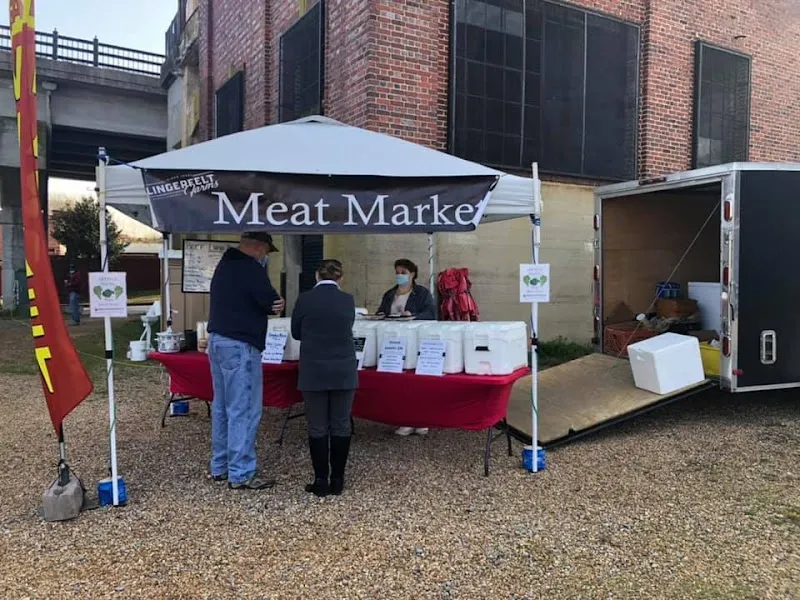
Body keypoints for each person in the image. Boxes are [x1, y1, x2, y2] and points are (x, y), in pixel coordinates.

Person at [206, 232, 285, 490]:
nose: (265, 256)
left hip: (218, 341)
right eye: (266, 251)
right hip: (241, 344)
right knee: (244, 408)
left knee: (222, 406)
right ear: (259, 248)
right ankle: (241, 471)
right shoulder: (251, 268)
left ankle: (220, 465)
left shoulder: (224, 264)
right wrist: (278, 303)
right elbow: (271, 301)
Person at [291, 259, 358, 497]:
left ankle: (320, 479)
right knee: (341, 424)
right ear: (340, 278)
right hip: (343, 368)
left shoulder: (304, 299)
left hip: (314, 368)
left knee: (317, 425)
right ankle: (338, 479)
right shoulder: (348, 300)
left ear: (316, 276)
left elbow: (296, 332)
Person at [376, 258, 437, 437]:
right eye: (397, 272)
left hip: (415, 341)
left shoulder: (422, 293)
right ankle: (405, 419)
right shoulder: (389, 294)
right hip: (393, 343)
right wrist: (380, 315)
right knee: (399, 383)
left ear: (412, 274)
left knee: (418, 383)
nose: (399, 275)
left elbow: (431, 313)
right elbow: (381, 311)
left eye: (403, 272)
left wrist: (413, 316)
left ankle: (421, 420)